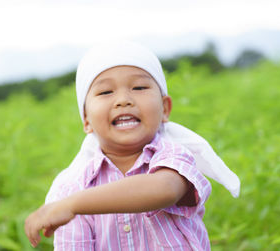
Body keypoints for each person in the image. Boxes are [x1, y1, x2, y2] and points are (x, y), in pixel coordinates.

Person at [24, 41, 240, 250]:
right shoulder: (71, 189)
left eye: (139, 87)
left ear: (165, 108)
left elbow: (164, 189)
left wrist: (74, 205)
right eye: (106, 92)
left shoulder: (173, 156)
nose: (123, 100)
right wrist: (70, 204)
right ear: (87, 120)